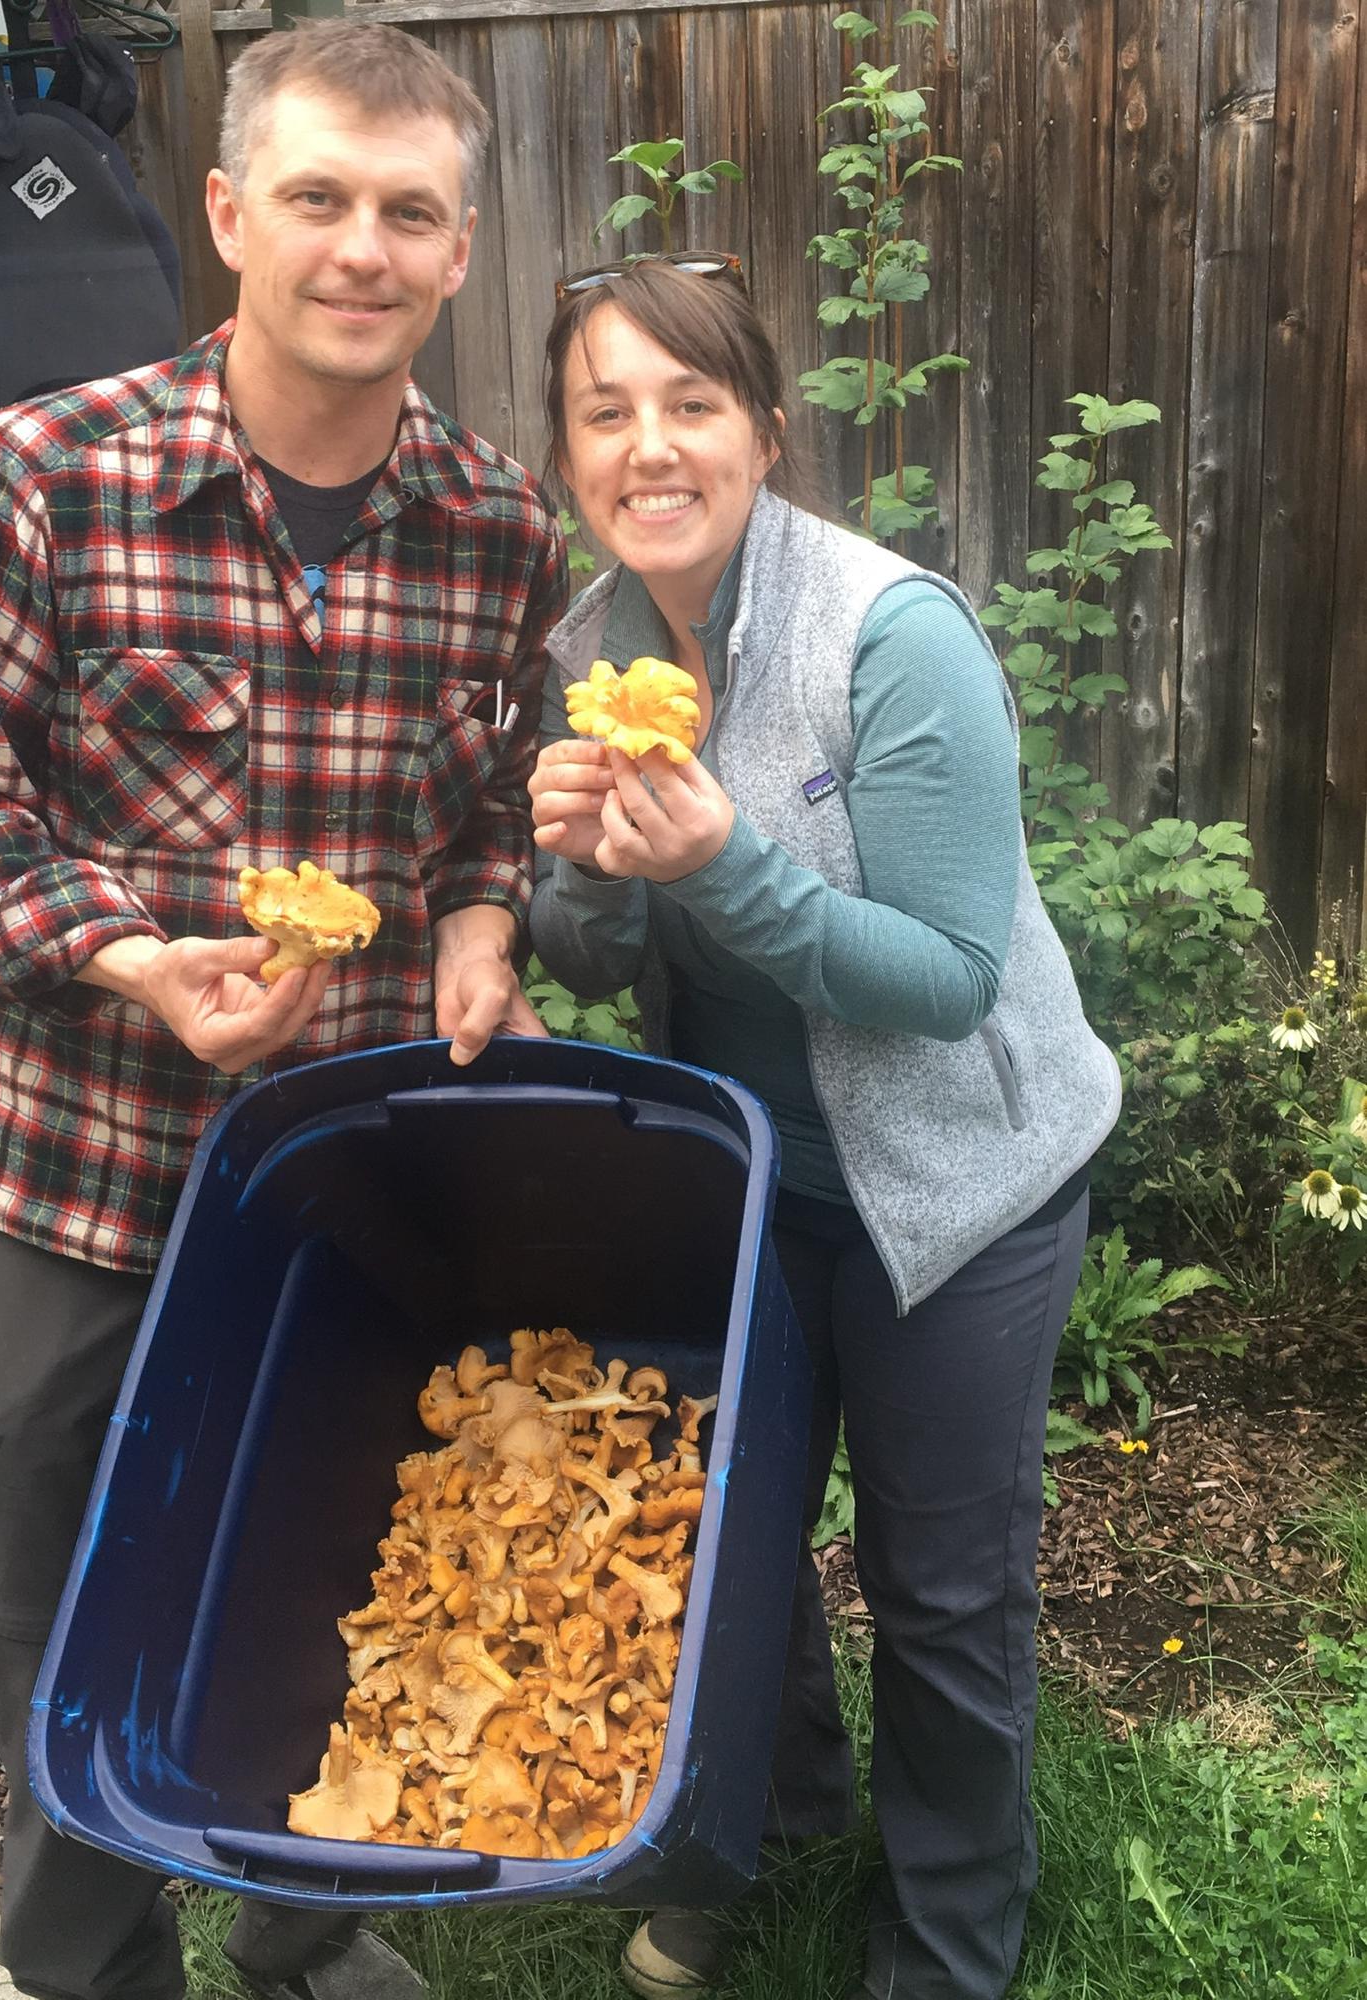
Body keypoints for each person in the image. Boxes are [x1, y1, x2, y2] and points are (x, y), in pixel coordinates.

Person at [0, 21, 563, 2000]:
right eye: (320, 197)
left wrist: (480, 924)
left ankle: (308, 1930)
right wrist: (116, 953)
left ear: (453, 251)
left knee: (330, 1552)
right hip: (77, 1188)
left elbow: (488, 816)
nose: (361, 245)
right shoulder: (41, 475)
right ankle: (93, 1965)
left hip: (338, 1188)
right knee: (54, 1604)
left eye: (406, 211)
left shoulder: (494, 533)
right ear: (229, 214)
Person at [527, 256, 1121, 2000]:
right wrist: (579, 868)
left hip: (961, 1183)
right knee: (736, 1533)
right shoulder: (593, 640)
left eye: (690, 404)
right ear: (568, 454)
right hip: (752, 1183)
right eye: (605, 412)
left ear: (764, 432)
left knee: (937, 1587)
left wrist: (722, 861)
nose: (650, 447)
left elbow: (940, 978)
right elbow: (595, 952)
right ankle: (770, 1824)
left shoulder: (891, 634)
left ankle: (946, 1935)